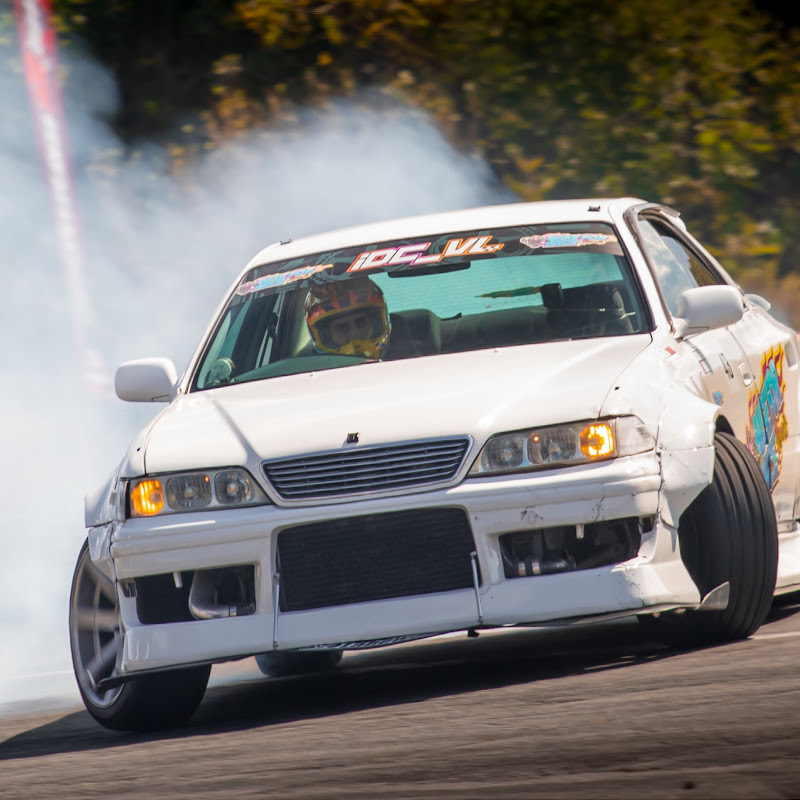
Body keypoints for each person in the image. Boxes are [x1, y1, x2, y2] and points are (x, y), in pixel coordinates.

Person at [304, 276, 392, 359]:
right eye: (342, 328)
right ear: (325, 335)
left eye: (361, 323)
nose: (354, 335)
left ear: (378, 322)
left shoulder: (400, 356)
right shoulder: (306, 367)